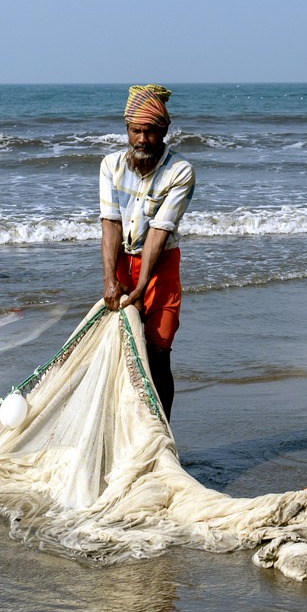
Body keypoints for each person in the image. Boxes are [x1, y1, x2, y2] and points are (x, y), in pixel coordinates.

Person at [99, 84, 195, 419]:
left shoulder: (180, 171)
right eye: (136, 131)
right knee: (123, 353)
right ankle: (129, 430)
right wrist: (110, 280)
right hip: (124, 263)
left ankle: (161, 436)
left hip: (162, 267)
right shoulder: (111, 165)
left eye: (150, 132)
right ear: (126, 129)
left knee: (157, 352)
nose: (142, 139)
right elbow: (110, 224)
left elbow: (159, 231)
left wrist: (141, 289)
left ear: (164, 131)